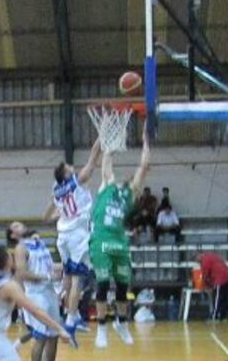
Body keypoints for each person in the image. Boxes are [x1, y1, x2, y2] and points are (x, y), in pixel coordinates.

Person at [90, 130, 152, 348]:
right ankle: (102, 328)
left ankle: (121, 323)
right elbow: (106, 163)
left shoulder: (130, 194)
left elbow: (144, 168)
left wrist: (146, 143)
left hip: (119, 243)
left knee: (124, 287)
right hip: (101, 241)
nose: (126, 179)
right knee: (103, 284)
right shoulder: (107, 185)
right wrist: (110, 145)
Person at [44, 138, 102, 338]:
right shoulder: (75, 181)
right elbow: (93, 160)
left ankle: (72, 313)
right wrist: (102, 135)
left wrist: (64, 214)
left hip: (63, 236)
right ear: (66, 174)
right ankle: (70, 318)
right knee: (78, 277)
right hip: (77, 235)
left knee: (68, 275)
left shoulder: (56, 190)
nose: (71, 166)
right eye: (68, 167)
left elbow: (46, 216)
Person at [11, 222, 67, 361]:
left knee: (54, 336)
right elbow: (22, 273)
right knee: (40, 337)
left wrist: (66, 266)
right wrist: (47, 276)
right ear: (13, 235)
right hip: (35, 295)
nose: (21, 225)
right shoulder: (20, 248)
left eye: (21, 224)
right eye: (16, 226)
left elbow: (50, 266)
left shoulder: (40, 243)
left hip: (49, 291)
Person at [198, 251, 228, 320]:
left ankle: (214, 316)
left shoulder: (204, 259)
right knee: (224, 298)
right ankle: (222, 315)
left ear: (200, 256)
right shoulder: (212, 256)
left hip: (220, 278)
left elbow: (205, 274)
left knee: (217, 298)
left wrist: (206, 285)